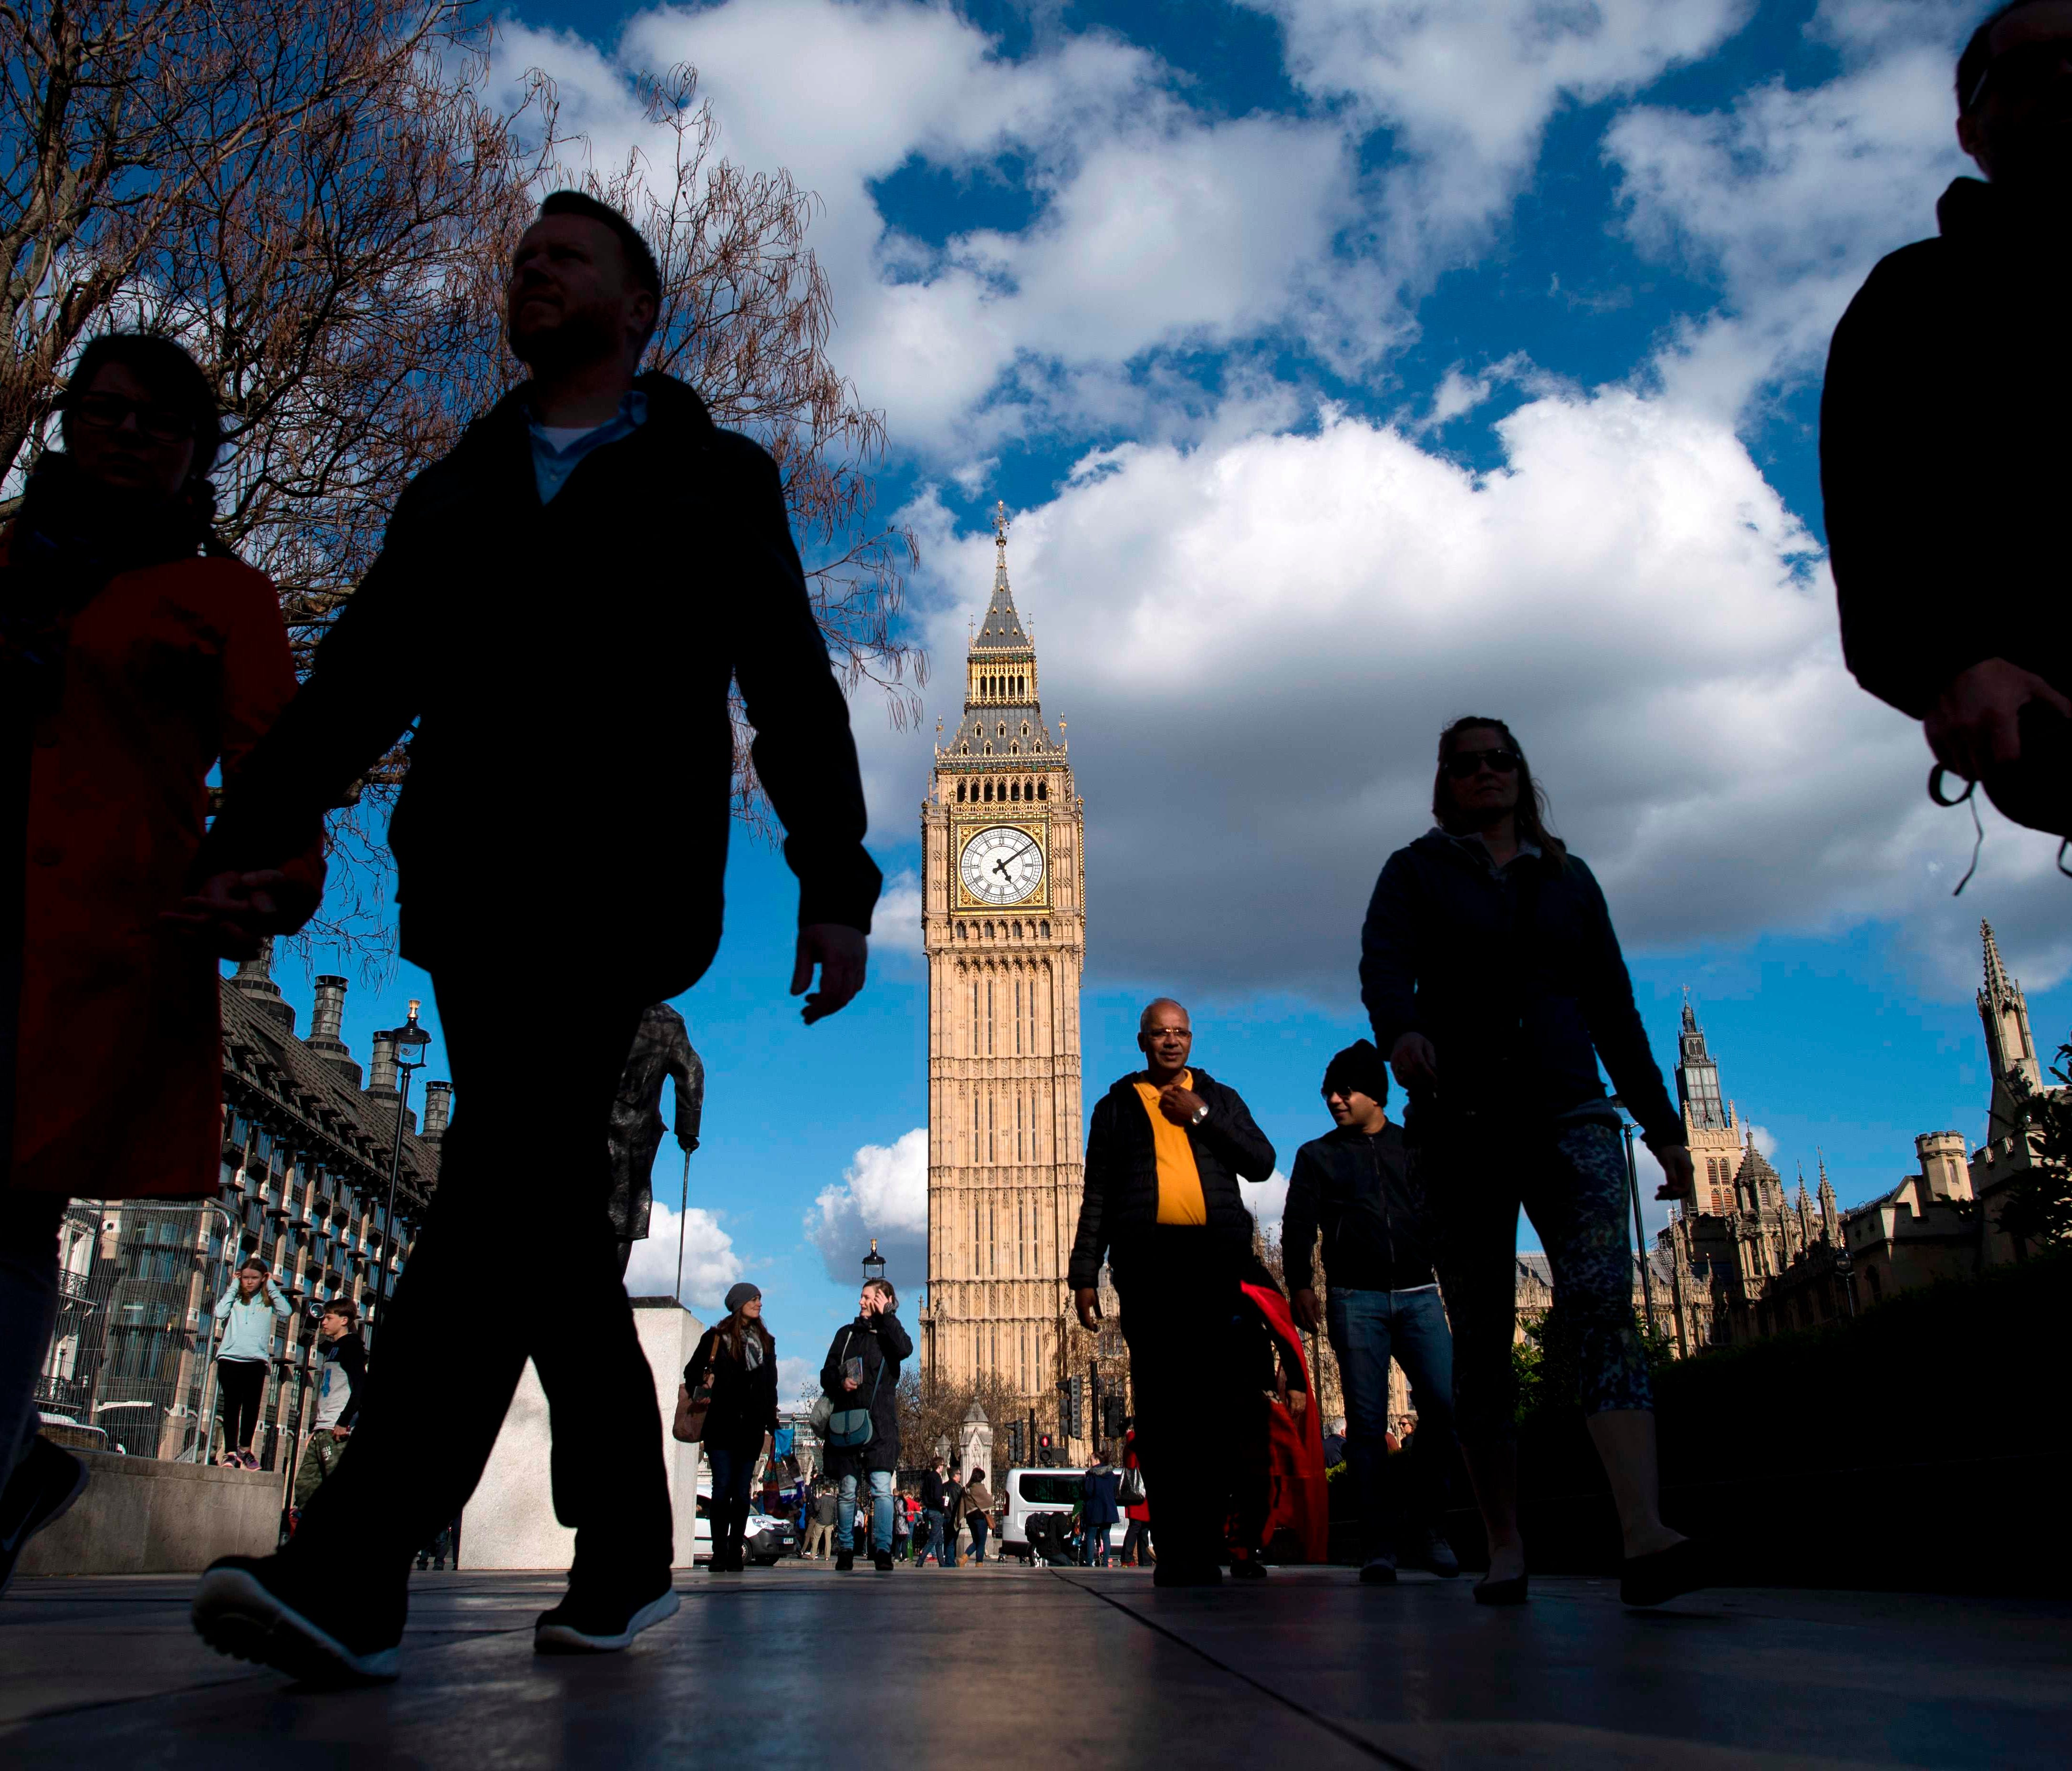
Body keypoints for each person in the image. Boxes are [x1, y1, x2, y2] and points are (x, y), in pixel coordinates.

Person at [186, 190, 880, 1682]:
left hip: (617, 885)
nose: (531, 270)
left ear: (637, 311)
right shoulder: (458, 486)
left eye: (566, 256)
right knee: (545, 1218)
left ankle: (355, 1568)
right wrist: (245, 834)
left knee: (494, 1185)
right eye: (521, 259)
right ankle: (629, 1550)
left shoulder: (712, 477)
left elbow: (791, 681)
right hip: (474, 888)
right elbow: (359, 679)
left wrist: (836, 873)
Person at [0, 333, 322, 1597]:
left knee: (18, 1204)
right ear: (69, 422)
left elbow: (279, 771)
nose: (128, 431)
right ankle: (18, 1467)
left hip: (98, 932)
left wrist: (265, 880)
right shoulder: (10, 564)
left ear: (194, 450)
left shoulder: (220, 595)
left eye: (159, 418)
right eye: (105, 408)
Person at [1360, 716, 1701, 1609]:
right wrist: (1399, 1031)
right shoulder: (1412, 873)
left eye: (1498, 760)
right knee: (1479, 1335)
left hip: (1569, 1116)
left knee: (1603, 1310)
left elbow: (1614, 1009)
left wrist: (1664, 1126)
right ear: (1445, 783)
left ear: (1521, 774)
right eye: (1466, 763)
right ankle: (1504, 1543)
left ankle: (1642, 1531)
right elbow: (1382, 970)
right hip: (1462, 1126)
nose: (1485, 773)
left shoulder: (1568, 880)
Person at [1822, 0, 2072, 843]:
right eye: (2027, 71)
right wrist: (1949, 662)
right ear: (1969, 128)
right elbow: (1874, 509)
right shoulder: (1919, 296)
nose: (2067, 76)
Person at [1070, 998, 1278, 1587]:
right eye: (1159, 1033)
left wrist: (1203, 1113)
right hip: (1148, 1271)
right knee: (1162, 1417)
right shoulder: (1116, 1107)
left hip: (1213, 1268)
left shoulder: (1220, 1097)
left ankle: (1207, 1544)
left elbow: (1261, 1161)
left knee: (1212, 1414)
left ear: (1191, 1039)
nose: (1170, 1041)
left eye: (1180, 1032)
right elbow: (1098, 1197)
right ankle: (1176, 1546)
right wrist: (1084, 1273)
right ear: (1142, 1041)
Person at [1284, 1039, 1460, 1586]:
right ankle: (1378, 1543)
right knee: (1364, 1426)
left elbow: (1442, 1213)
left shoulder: (1413, 1148)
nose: (1334, 1100)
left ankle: (1428, 1525)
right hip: (1353, 1297)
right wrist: (1299, 1283)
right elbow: (1296, 1223)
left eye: (1344, 1091)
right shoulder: (1318, 1155)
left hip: (1418, 1292)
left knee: (1445, 1407)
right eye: (1328, 1093)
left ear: (1374, 1095)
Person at [818, 1276, 910, 1573]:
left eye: (867, 1296)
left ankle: (882, 1550)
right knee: (847, 1490)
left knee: (882, 1490)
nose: (860, 1301)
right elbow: (826, 1372)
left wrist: (889, 1315)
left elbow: (905, 1348)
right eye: (861, 1296)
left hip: (880, 1424)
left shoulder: (889, 1336)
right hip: (848, 1420)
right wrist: (839, 1381)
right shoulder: (845, 1335)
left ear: (882, 1300)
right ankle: (845, 1549)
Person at [685, 1282, 778, 1574]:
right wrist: (703, 1392)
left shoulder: (767, 1342)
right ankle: (719, 1553)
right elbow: (691, 1373)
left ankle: (735, 1551)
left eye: (760, 1298)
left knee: (741, 1492)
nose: (760, 1303)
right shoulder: (715, 1338)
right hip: (721, 1426)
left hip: (751, 1428)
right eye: (754, 1298)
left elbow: (770, 1385)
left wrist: (770, 1419)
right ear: (739, 1304)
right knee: (722, 1488)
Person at [607, 1005, 704, 1276]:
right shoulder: (666, 1020)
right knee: (622, 1216)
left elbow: (691, 1071)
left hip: (631, 1135)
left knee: (622, 1214)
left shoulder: (666, 1022)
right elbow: (692, 1071)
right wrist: (687, 1129)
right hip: (631, 1135)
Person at [212, 1259, 292, 1469]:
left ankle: (245, 1450)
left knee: (251, 1407)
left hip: (256, 1360)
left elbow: (286, 1311)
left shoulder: (268, 1302)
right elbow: (219, 1313)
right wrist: (233, 1286)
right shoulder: (236, 1298)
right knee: (231, 1405)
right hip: (230, 1358)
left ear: (263, 1278)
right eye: (245, 1278)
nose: (249, 1282)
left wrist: (271, 1285)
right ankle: (230, 1452)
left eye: (254, 1278)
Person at [293, 1298, 366, 1511]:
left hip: (337, 1430)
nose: (323, 1323)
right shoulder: (334, 1348)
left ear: (344, 1320)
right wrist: (316, 1427)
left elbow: (361, 1387)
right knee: (306, 1486)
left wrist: (343, 1423)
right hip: (323, 1428)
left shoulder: (352, 1346)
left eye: (328, 1318)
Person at [1119, 1428, 1153, 1567]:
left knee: (1142, 1528)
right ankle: (1128, 1557)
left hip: (1140, 1494)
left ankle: (1144, 1559)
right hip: (1139, 1495)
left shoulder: (1132, 1449)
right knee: (1138, 1526)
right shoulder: (1132, 1450)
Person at [1080, 1458, 1121, 1567]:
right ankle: (1106, 1562)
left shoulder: (1092, 1475)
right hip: (1109, 1510)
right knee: (1106, 1536)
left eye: (1092, 1459)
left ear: (1098, 1461)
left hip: (1095, 1510)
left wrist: (1087, 1478)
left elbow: (1088, 1492)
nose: (1090, 1462)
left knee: (1091, 1536)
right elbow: (1115, 1491)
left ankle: (1089, 1561)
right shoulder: (1111, 1475)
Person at [918, 1455, 948, 1566]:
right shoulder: (937, 1478)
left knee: (940, 1540)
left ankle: (942, 1563)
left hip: (929, 1509)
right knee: (934, 1539)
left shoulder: (928, 1477)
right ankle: (920, 1560)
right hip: (936, 1511)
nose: (943, 1467)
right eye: (943, 1465)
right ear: (939, 1466)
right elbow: (937, 1496)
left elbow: (924, 1494)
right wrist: (942, 1508)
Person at [963, 1468, 994, 1564]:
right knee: (981, 1543)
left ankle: (963, 1559)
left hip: (970, 1518)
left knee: (976, 1541)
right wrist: (989, 1496)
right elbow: (988, 1501)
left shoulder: (967, 1487)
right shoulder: (979, 1487)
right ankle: (979, 1563)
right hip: (980, 1517)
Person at [803, 1480, 838, 1561]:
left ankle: (813, 1555)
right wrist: (834, 1523)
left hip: (820, 1521)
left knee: (816, 1538)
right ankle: (827, 1556)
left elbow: (816, 1508)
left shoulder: (821, 1499)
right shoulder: (834, 1500)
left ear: (825, 1490)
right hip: (829, 1523)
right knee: (828, 1540)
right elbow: (836, 1512)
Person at [940, 1464, 965, 1568]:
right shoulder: (959, 1488)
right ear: (955, 1475)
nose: (960, 1476)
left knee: (947, 1539)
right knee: (952, 1540)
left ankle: (948, 1560)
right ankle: (950, 1562)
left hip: (945, 1515)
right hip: (954, 1517)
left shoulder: (944, 1486)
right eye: (959, 1474)